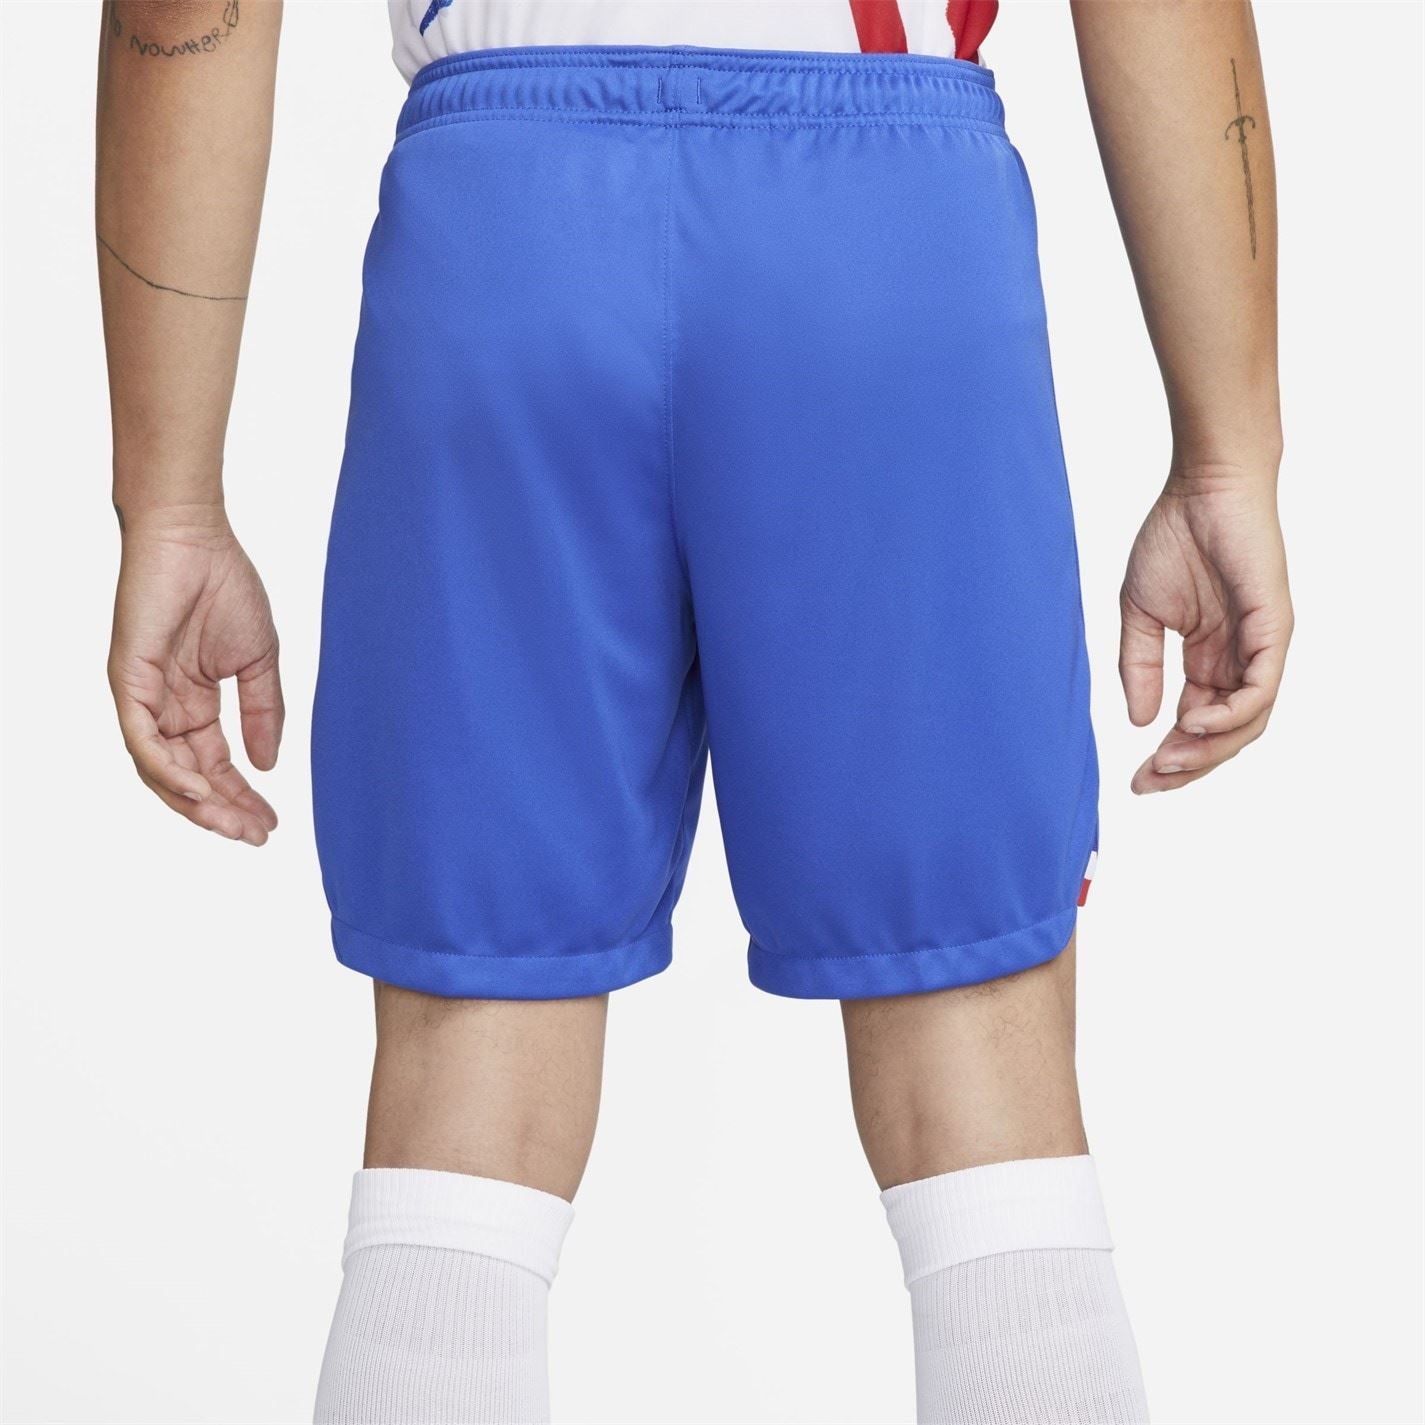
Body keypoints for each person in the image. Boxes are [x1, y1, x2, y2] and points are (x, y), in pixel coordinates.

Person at [97, 1, 1291, 1420]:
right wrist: (1227, 453)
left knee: (466, 1084)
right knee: (976, 1062)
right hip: (880, 223)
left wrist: (169, 499)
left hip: (505, 231)